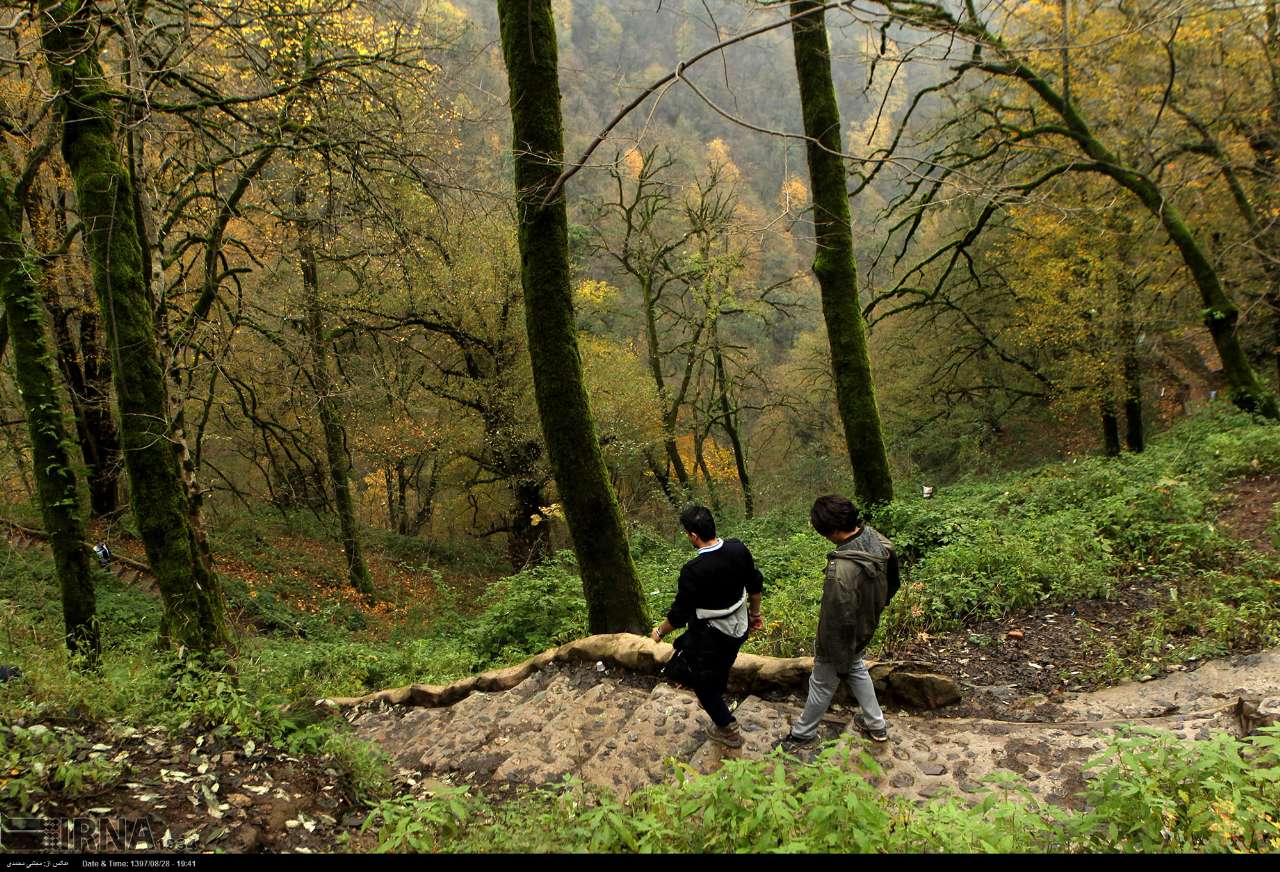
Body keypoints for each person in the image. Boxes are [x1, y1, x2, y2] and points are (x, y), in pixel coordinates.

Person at [777, 494, 897, 752]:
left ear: (832, 531)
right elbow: (893, 580)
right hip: (867, 622)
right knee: (856, 667)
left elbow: (835, 620)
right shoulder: (877, 539)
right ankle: (876, 725)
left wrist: (834, 656)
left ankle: (803, 734)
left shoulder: (841, 570)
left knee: (822, 682)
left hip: (842, 637)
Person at [651, 505, 764, 748]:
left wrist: (660, 631)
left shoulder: (693, 571)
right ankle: (718, 694)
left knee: (700, 680)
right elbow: (755, 583)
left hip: (712, 635)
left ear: (693, 535)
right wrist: (755, 614)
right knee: (723, 663)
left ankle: (727, 728)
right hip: (740, 625)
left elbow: (680, 614)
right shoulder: (737, 548)